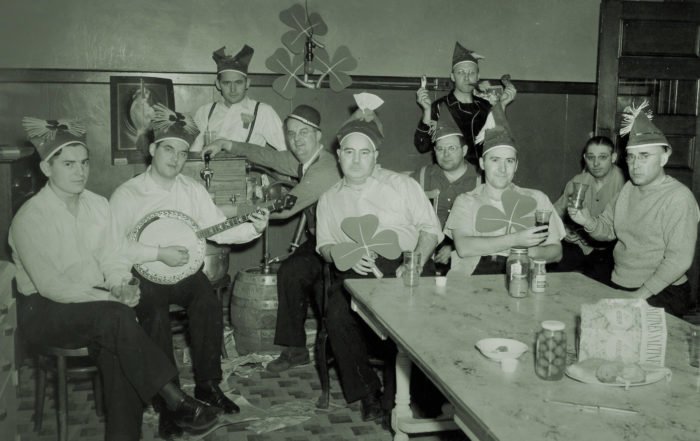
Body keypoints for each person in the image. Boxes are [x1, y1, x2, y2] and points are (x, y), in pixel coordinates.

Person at [10, 117, 220, 441]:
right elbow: (52, 287)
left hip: (94, 309)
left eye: (83, 163)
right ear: (46, 168)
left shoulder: (96, 205)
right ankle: (175, 400)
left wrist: (120, 283)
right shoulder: (30, 218)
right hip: (45, 310)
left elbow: (113, 254)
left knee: (120, 347)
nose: (80, 171)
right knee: (118, 318)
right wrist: (110, 298)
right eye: (68, 164)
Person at [109, 106, 270, 438]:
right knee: (152, 310)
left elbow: (217, 228)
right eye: (169, 149)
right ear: (153, 149)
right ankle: (170, 401)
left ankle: (208, 385)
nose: (176, 159)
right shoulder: (127, 195)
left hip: (185, 274)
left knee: (207, 299)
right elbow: (114, 247)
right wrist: (157, 253)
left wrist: (254, 227)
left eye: (183, 153)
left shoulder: (192, 189)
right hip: (144, 273)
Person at [315, 97, 443, 421]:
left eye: (364, 152)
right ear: (339, 155)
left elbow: (430, 230)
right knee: (336, 311)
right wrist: (343, 255)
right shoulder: (329, 200)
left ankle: (405, 394)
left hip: (407, 261)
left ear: (376, 156)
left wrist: (411, 263)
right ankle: (368, 391)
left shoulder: (402, 185)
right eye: (349, 152)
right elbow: (325, 246)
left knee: (404, 314)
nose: (356, 160)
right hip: (356, 265)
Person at [201, 105, 341, 372]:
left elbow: (287, 206)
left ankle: (334, 347)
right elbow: (266, 155)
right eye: (291, 134)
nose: (297, 140)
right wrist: (226, 143)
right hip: (320, 239)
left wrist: (231, 211)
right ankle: (296, 351)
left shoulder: (325, 168)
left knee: (305, 279)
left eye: (304, 133)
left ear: (318, 136)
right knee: (290, 272)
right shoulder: (303, 161)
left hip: (341, 242)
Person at [568, 102, 699, 318]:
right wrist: (586, 221)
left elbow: (679, 260)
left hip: (662, 291)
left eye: (645, 156)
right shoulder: (628, 189)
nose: (636, 165)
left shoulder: (678, 197)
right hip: (622, 282)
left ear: (664, 158)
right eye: (631, 157)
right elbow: (607, 229)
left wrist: (639, 295)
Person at [445, 115, 565, 275]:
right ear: (482, 163)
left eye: (509, 161)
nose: (503, 168)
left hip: (522, 273)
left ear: (516, 165)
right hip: (475, 277)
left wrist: (524, 253)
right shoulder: (466, 201)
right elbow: (464, 248)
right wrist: (516, 240)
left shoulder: (537, 198)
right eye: (495, 160)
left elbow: (556, 252)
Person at [414, 42, 516, 164]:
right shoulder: (440, 106)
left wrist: (502, 106)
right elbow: (422, 146)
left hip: (481, 177)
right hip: (451, 178)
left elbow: (499, 143)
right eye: (461, 72)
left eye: (471, 73)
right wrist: (427, 111)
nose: (466, 78)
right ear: (452, 76)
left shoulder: (487, 107)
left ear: (478, 76)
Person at [410, 113, 481, 274]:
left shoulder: (481, 181)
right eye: (440, 149)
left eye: (452, 148)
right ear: (434, 151)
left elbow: (488, 227)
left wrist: (454, 247)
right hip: (422, 255)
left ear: (464, 150)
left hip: (467, 259)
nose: (446, 154)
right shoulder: (419, 177)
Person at [551, 136, 625, 283]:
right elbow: (554, 212)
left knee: (598, 288)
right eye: (591, 157)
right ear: (585, 158)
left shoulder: (625, 184)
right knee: (552, 277)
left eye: (602, 157)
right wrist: (564, 230)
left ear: (613, 157)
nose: (596, 163)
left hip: (609, 250)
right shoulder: (578, 181)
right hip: (577, 245)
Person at [189, 45, 286, 153]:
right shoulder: (205, 112)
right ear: (218, 84)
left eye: (238, 83)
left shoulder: (263, 112)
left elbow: (285, 149)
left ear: (247, 83)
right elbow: (193, 152)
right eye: (226, 83)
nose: (233, 89)